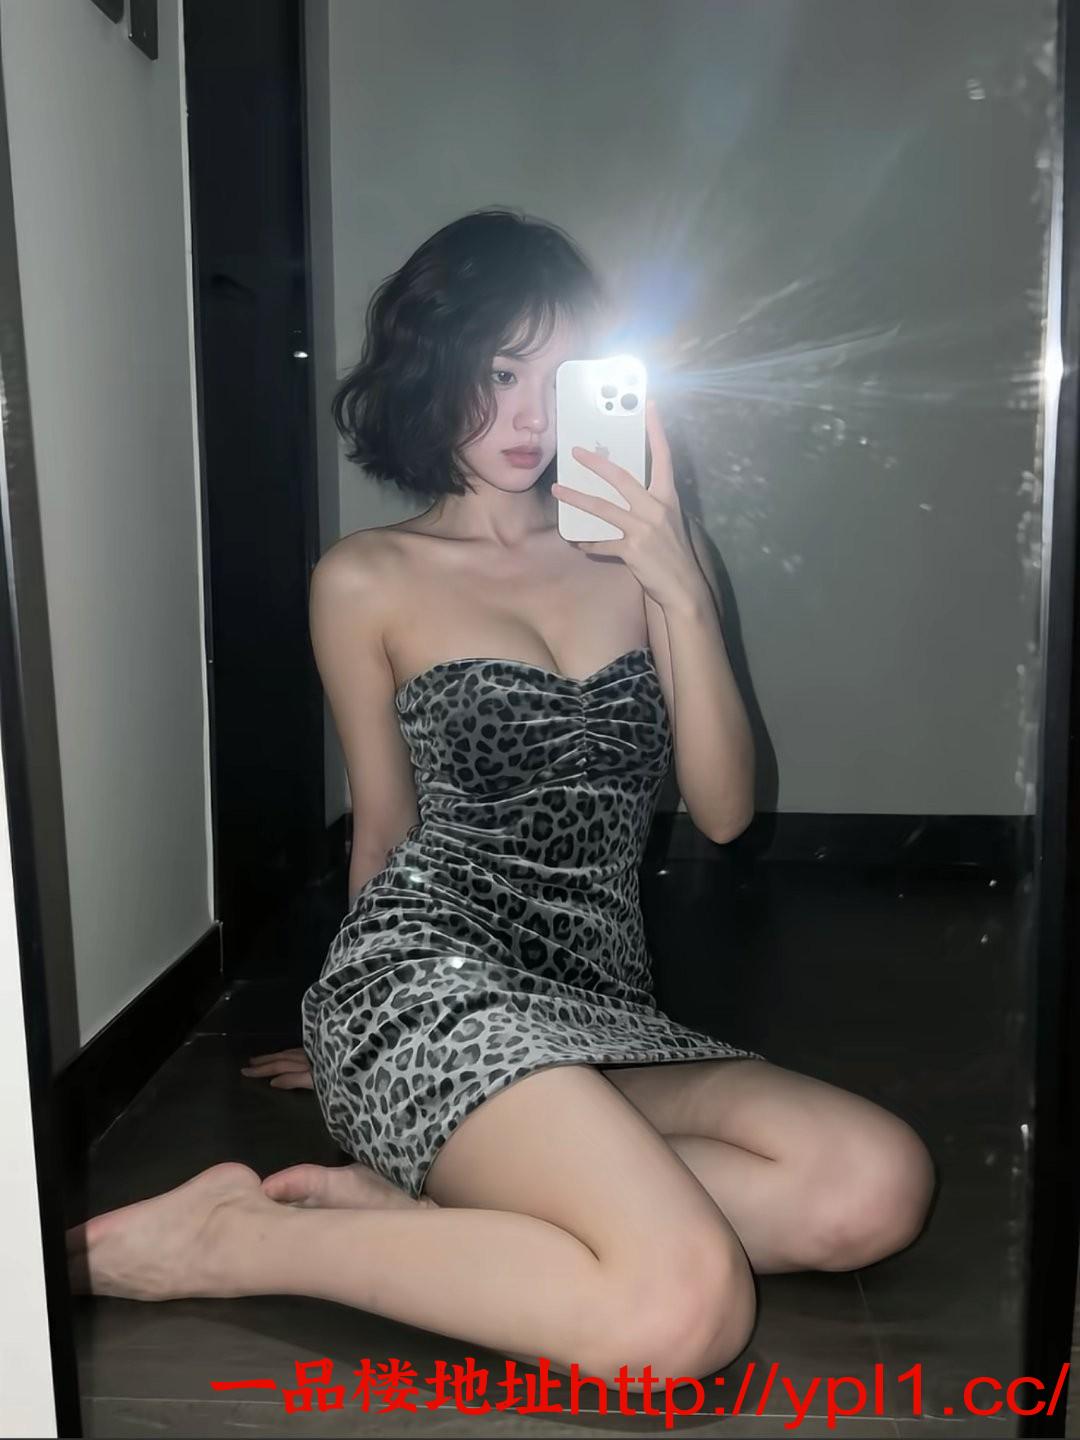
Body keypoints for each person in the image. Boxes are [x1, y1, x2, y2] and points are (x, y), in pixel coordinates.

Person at [67, 208, 935, 1391]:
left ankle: (427, 1213)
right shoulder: (368, 577)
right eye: (498, 371)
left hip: (601, 1002)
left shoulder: (655, 552)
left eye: (560, 377)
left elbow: (727, 813)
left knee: (870, 1189)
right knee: (680, 1314)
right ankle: (235, 1241)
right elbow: (384, 826)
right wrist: (361, 1040)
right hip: (431, 980)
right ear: (433, 371)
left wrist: (678, 587)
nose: (529, 417)